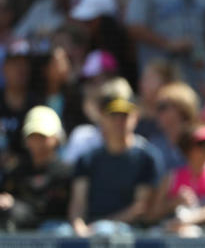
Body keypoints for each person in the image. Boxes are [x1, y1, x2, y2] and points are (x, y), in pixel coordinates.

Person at [67, 96, 162, 236]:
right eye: (113, 116)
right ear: (103, 120)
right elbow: (78, 203)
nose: (119, 121)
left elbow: (139, 208)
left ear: (135, 119)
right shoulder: (87, 159)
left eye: (124, 116)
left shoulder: (146, 158)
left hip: (129, 231)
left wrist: (101, 225)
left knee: (104, 231)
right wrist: (78, 226)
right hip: (89, 228)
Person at [0, 106, 72, 231]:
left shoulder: (67, 173)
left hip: (55, 238)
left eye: (43, 136)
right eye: (33, 136)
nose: (37, 142)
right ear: (25, 139)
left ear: (56, 138)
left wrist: (18, 205)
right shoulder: (15, 171)